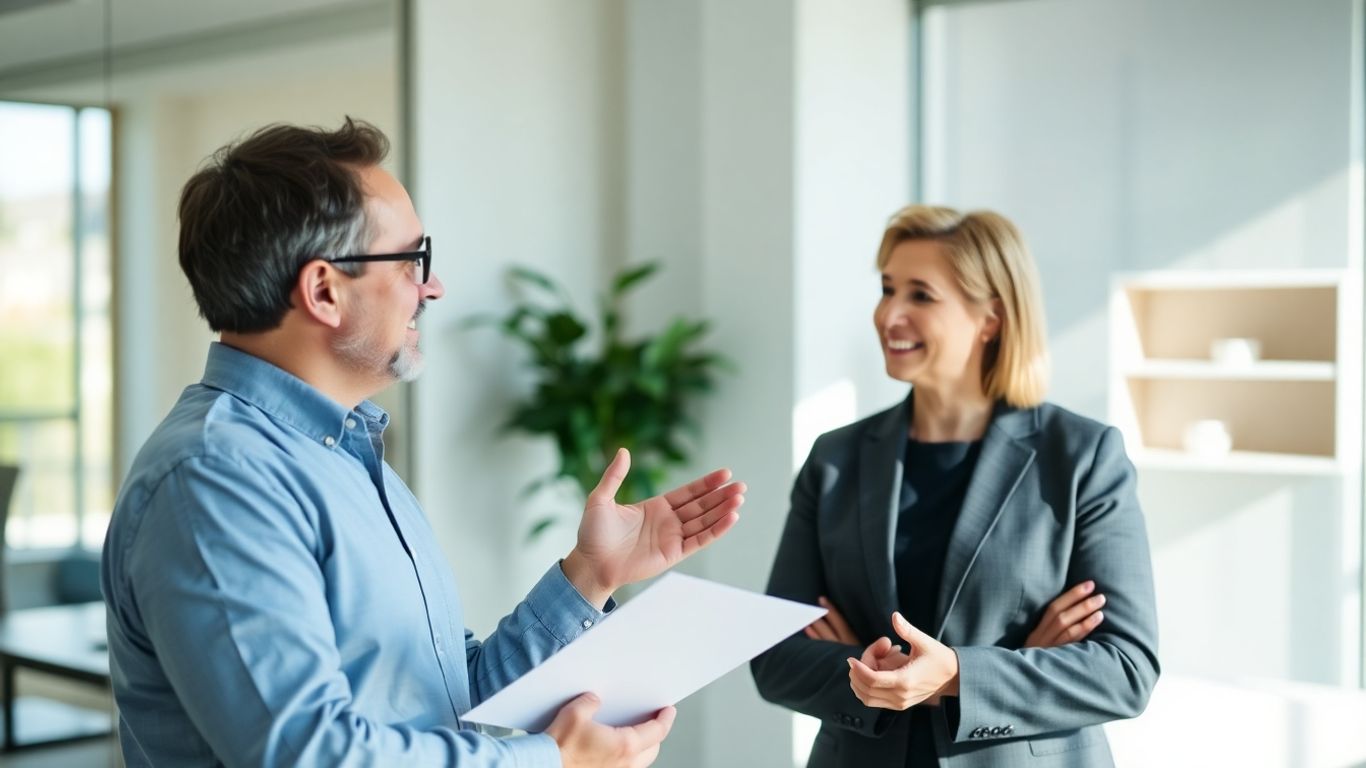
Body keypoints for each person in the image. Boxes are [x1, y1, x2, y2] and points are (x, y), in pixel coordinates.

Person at [100, 118, 745, 768]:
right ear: (324, 291)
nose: (432, 287)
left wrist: (591, 574)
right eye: (413, 260)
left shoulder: (347, 457)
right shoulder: (215, 478)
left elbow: (449, 701)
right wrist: (552, 761)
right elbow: (307, 753)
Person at [750, 205, 1159, 767]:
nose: (889, 314)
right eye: (887, 289)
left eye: (920, 295)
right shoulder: (836, 458)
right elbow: (773, 656)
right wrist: (878, 676)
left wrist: (959, 675)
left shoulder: (1082, 457)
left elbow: (1127, 670)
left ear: (991, 318)